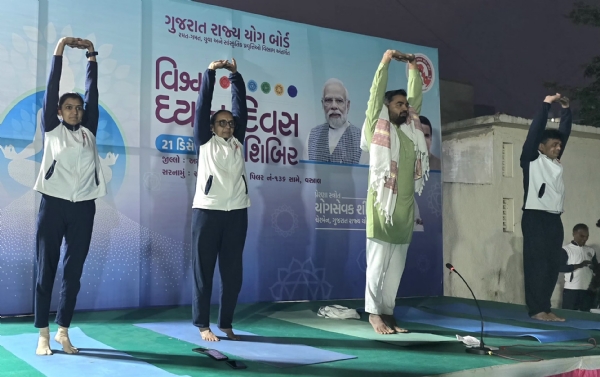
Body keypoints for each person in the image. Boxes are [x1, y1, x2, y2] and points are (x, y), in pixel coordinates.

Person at [34, 37, 104, 355]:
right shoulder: (52, 128)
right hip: (53, 202)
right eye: (68, 108)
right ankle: (43, 335)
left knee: (73, 272)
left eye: (78, 108)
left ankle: (63, 330)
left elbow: (93, 93)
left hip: (83, 207)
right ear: (59, 111)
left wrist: (91, 57)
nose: (75, 111)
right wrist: (60, 50)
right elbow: (52, 87)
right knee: (46, 268)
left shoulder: (89, 131)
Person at [360, 50, 429, 334]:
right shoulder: (376, 126)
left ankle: (388, 311)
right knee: (377, 265)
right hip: (381, 207)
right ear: (387, 107)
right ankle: (373, 314)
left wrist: (413, 68)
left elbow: (416, 98)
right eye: (399, 104)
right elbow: (375, 95)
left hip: (404, 210)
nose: (404, 108)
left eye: (405, 105)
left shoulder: (412, 131)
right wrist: (385, 62)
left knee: (396, 267)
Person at [191, 58, 249, 342]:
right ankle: (203, 324)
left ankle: (226, 323)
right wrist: (211, 73)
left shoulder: (238, 142)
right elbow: (202, 108)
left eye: (230, 123)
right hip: (207, 212)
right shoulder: (205, 141)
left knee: (233, 274)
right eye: (221, 123)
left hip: (237, 213)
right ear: (212, 127)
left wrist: (235, 76)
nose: (227, 126)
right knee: (204, 272)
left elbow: (241, 107)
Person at [520, 93, 571, 322]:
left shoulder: (554, 164)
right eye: (553, 144)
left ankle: (546, 307)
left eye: (560, 145)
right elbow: (534, 133)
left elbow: (565, 134)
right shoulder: (532, 159)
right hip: (535, 217)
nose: (558, 148)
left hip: (553, 219)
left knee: (552, 264)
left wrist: (566, 111)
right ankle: (536, 309)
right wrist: (546, 105)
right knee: (536, 264)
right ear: (541, 146)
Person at [307, 79, 363, 164]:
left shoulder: (362, 139)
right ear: (322, 104)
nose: (334, 106)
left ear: (347, 105)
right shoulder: (312, 136)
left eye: (339, 101)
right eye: (328, 100)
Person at [560, 223, 598, 311]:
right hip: (572, 289)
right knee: (569, 315)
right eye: (582, 236)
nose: (584, 239)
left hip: (588, 290)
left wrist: (593, 267)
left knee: (587, 316)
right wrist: (579, 265)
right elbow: (560, 268)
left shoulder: (591, 251)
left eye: (587, 236)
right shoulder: (566, 250)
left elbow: (597, 269)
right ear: (574, 234)